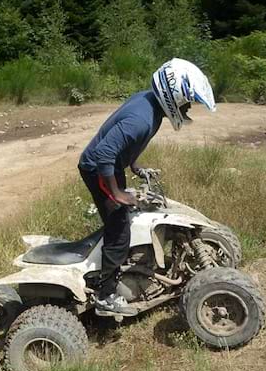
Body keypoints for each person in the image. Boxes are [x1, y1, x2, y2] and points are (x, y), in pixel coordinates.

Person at [78, 58, 216, 317]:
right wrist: (118, 194)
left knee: (127, 213)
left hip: (110, 164)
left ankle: (118, 266)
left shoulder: (150, 105)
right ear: (174, 96)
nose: (188, 108)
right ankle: (105, 294)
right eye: (187, 102)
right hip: (96, 166)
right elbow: (105, 154)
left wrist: (135, 167)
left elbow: (125, 145)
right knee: (119, 229)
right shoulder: (142, 119)